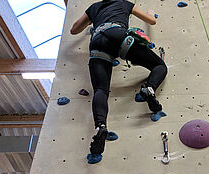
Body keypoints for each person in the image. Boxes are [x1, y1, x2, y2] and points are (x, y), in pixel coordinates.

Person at [70, 0, 168, 156]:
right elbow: (152, 21)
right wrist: (150, 13)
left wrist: (92, 22)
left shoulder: (94, 7)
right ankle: (149, 89)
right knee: (159, 66)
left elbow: (74, 30)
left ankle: (101, 127)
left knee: (100, 90)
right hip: (119, 36)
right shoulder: (124, 3)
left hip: (97, 41)